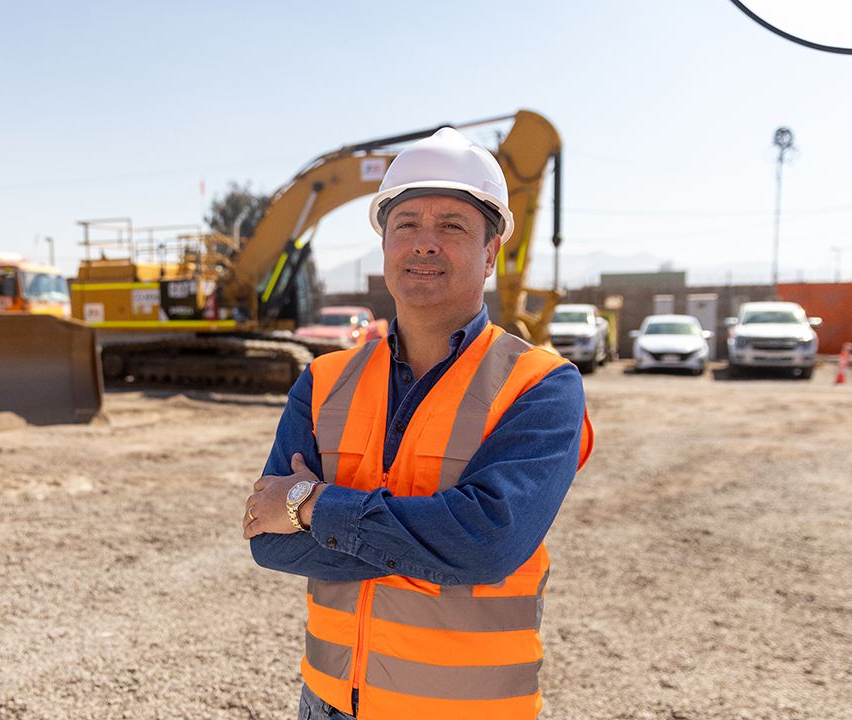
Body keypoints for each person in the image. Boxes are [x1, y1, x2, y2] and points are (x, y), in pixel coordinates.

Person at [242, 127, 593, 720]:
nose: (424, 243)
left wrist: (307, 503)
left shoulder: (541, 385)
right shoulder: (323, 381)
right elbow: (271, 540)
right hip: (326, 703)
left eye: (452, 226)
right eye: (406, 224)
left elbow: (487, 542)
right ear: (385, 248)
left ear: (490, 252)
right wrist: (436, 545)